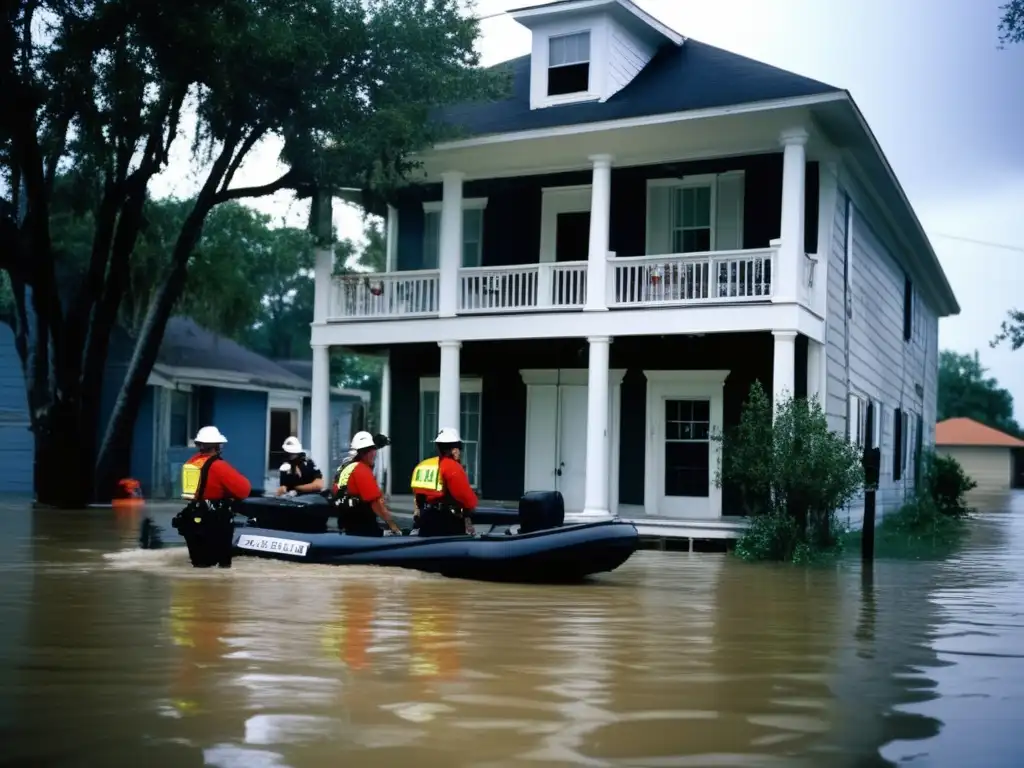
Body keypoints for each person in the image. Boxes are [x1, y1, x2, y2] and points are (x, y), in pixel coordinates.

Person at [410, 427, 478, 537]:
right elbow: (465, 498)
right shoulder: (453, 467)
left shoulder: (424, 465)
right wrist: (469, 511)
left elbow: (418, 495)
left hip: (426, 519)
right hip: (447, 521)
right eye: (459, 448)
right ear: (454, 449)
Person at [334, 431, 402, 537]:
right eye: (370, 450)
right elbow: (376, 504)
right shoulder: (361, 470)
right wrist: (393, 526)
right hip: (362, 524)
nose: (373, 454)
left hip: (345, 521)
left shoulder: (345, 468)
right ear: (361, 453)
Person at [181, 426, 252, 502]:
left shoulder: (192, 461)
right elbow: (243, 491)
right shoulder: (218, 466)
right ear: (217, 446)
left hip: (195, 508)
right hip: (213, 511)